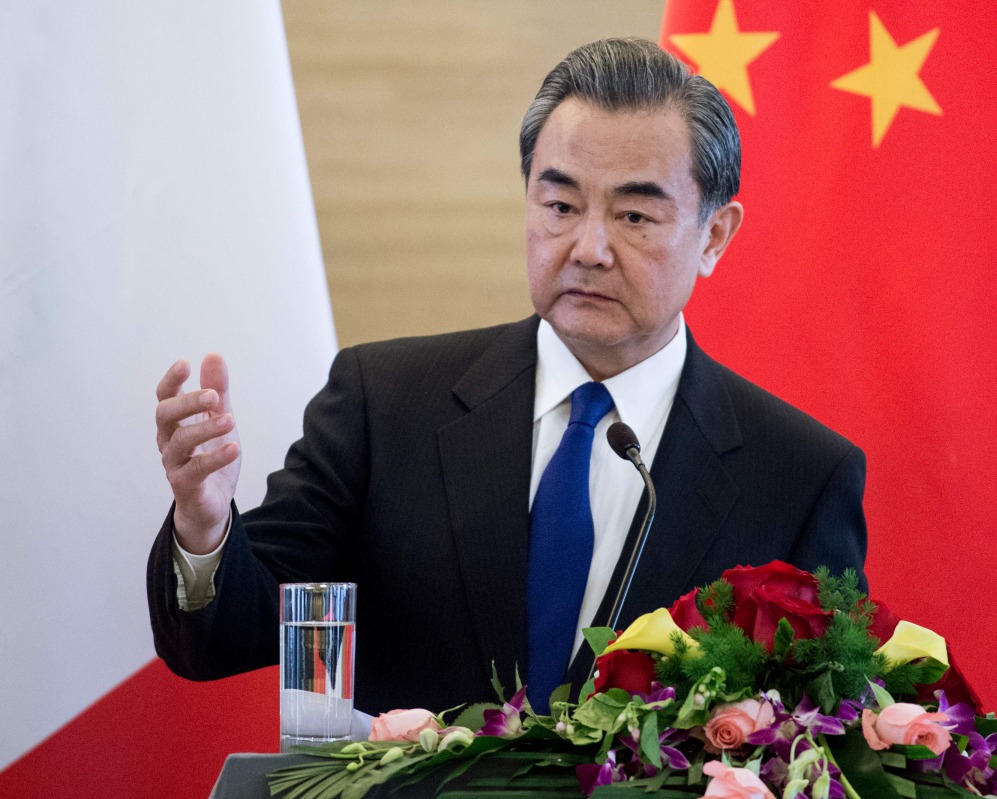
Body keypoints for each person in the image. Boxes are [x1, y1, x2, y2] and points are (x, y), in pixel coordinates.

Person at [147, 38, 867, 715]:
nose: (588, 248)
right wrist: (205, 528)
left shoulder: (799, 476)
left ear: (714, 234)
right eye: (559, 205)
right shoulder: (385, 403)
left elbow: (823, 729)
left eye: (635, 215)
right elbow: (225, 637)